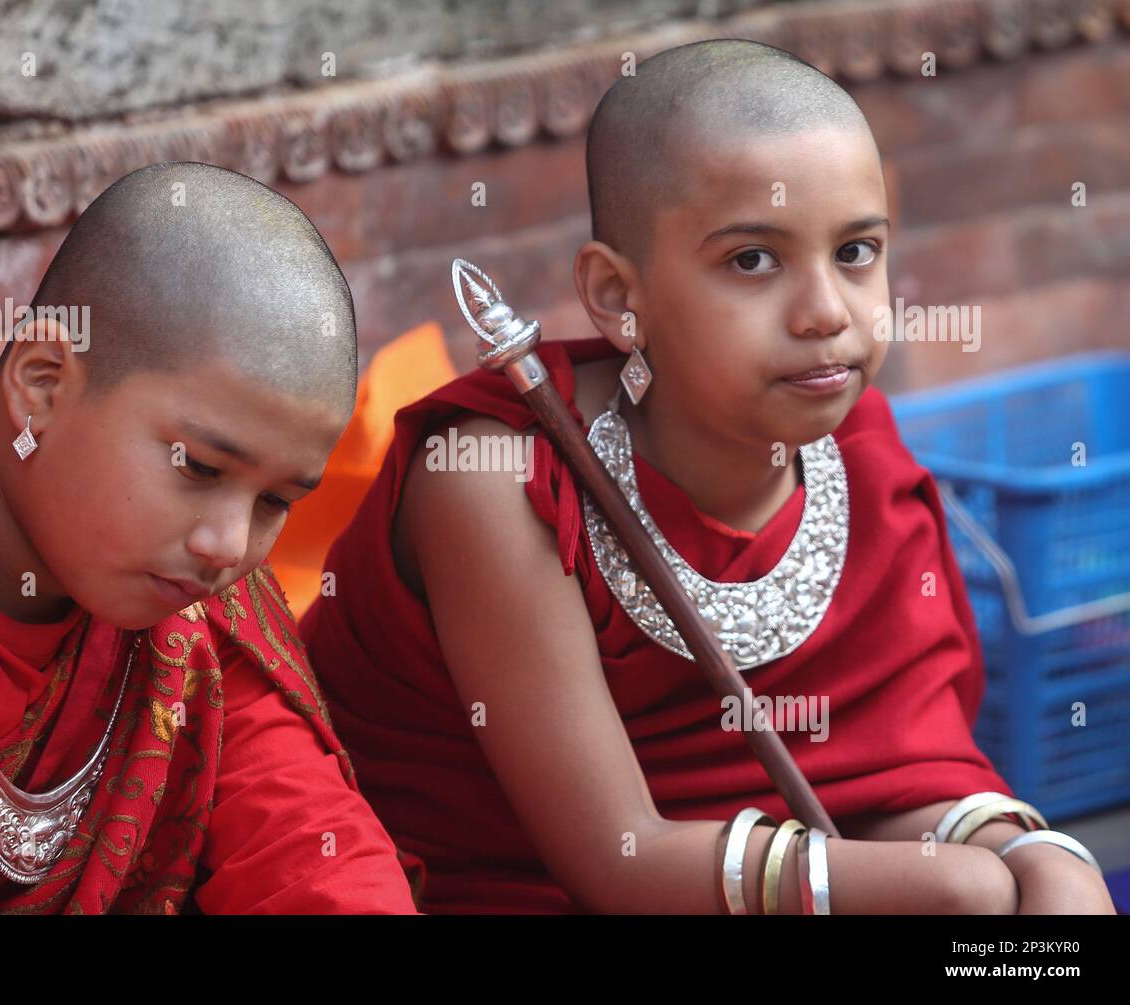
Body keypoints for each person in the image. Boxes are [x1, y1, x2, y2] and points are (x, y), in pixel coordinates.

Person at [298, 40, 1115, 914]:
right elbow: (618, 861)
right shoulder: (500, 480)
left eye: (856, 252)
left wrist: (1029, 850)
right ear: (617, 296)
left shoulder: (859, 444)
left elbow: (891, 783)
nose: (827, 314)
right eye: (752, 261)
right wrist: (955, 883)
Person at [0, 162, 420, 914]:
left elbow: (314, 853)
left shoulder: (191, 602)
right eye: (199, 466)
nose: (229, 545)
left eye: (276, 500)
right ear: (43, 383)